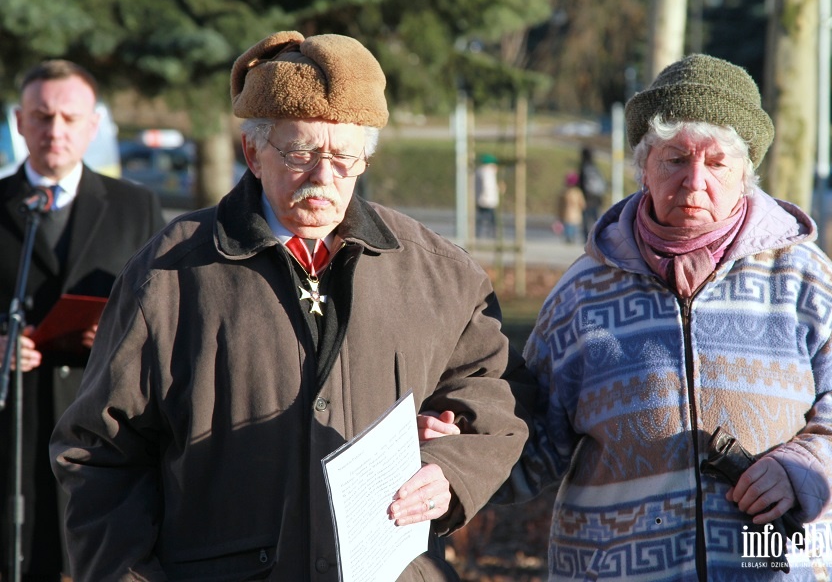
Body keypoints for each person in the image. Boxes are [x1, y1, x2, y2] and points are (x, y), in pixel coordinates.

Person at [49, 31, 529, 581]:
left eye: (345, 158)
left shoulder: (439, 273)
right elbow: (97, 453)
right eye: (301, 154)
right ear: (253, 152)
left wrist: (451, 469)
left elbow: (498, 400)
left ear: (365, 160)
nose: (324, 177)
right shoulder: (167, 274)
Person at [421, 55, 832, 580]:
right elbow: (534, 442)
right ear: (644, 165)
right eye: (674, 159)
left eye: (717, 163)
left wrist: (805, 469)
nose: (695, 183)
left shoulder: (801, 276)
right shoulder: (584, 293)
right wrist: (464, 446)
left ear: (746, 173)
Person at [0, 60, 165, 581]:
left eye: (70, 119)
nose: (55, 131)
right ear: (19, 121)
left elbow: (161, 313)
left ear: (93, 126)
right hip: (12, 432)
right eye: (42, 116)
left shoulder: (135, 206)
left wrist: (119, 338)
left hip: (98, 435)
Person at [577, 145, 606, 240]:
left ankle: (587, 239)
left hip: (587, 198)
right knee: (595, 218)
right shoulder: (595, 168)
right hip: (596, 198)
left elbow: (581, 184)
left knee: (586, 219)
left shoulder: (583, 167)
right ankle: (597, 237)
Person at [474, 153, 500, 238]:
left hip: (481, 199)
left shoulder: (479, 171)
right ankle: (492, 233)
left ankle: (479, 232)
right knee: (491, 219)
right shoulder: (488, 172)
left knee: (481, 218)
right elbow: (488, 186)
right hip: (488, 200)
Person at [557, 171, 585, 244]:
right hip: (576, 213)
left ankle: (569, 238)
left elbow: (560, 204)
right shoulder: (578, 192)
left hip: (567, 213)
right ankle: (572, 237)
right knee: (574, 227)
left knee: (568, 226)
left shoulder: (564, 192)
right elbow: (582, 203)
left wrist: (559, 213)